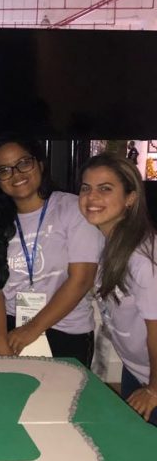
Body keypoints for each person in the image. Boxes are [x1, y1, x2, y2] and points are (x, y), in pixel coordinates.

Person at [0, 137, 103, 363]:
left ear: (40, 165)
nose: (16, 174)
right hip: (8, 328)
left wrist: (32, 329)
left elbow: (82, 279)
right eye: (4, 170)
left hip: (65, 328)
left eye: (24, 163)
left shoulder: (71, 209)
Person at [78, 153, 157, 424]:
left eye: (105, 188)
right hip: (137, 369)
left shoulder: (142, 258)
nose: (91, 197)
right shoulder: (109, 242)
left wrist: (153, 390)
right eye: (86, 188)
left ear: (130, 198)